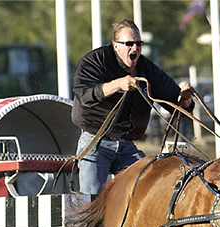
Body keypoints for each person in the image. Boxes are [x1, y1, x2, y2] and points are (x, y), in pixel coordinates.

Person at [71, 18, 194, 195]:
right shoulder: (95, 61)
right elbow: (84, 94)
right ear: (115, 46)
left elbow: (177, 104)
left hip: (126, 146)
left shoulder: (147, 69)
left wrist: (186, 99)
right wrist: (117, 84)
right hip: (95, 141)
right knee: (91, 198)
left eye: (138, 43)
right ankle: (89, 222)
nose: (135, 48)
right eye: (129, 43)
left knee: (149, 187)